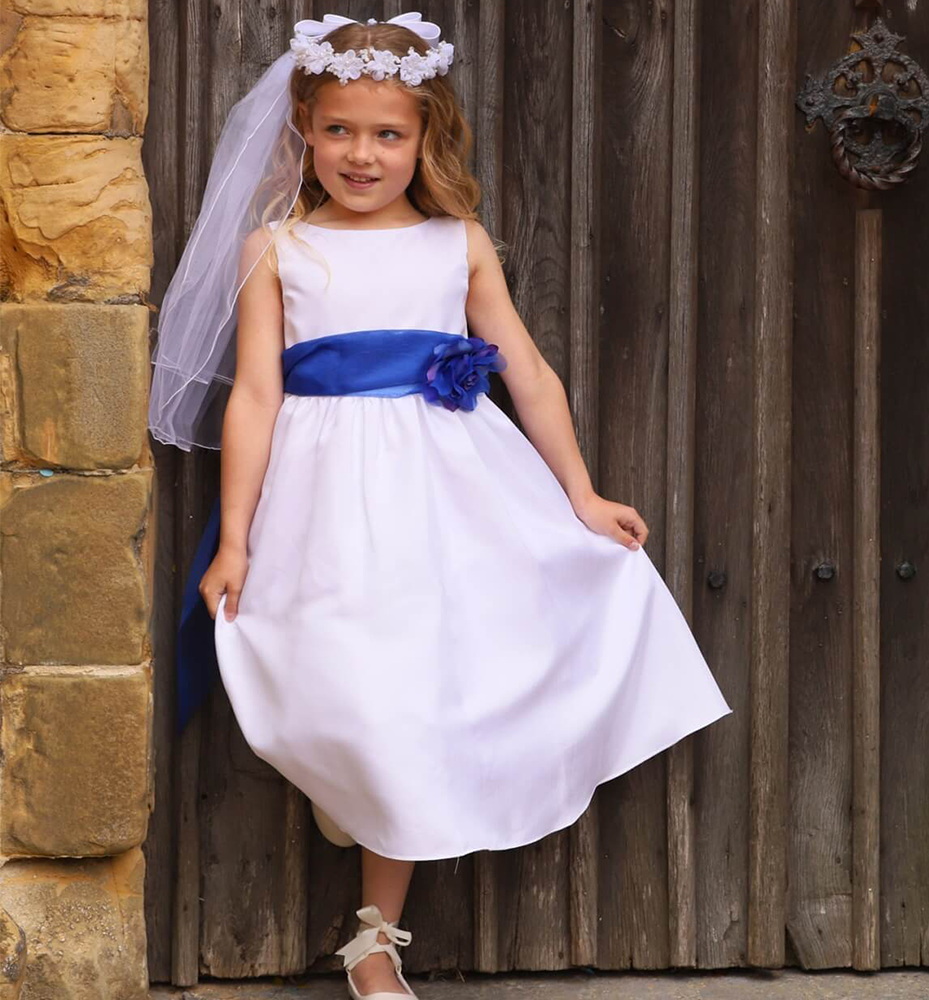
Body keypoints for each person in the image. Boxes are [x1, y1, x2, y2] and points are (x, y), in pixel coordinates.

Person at [147, 12, 733, 1000]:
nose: (361, 154)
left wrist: (580, 494)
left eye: (387, 134)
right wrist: (234, 538)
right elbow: (253, 397)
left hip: (446, 493)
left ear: (425, 139)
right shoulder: (276, 250)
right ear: (304, 128)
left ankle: (375, 936)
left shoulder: (455, 243)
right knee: (353, 688)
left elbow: (530, 373)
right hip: (324, 499)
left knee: (418, 690)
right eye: (339, 130)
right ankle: (355, 784)